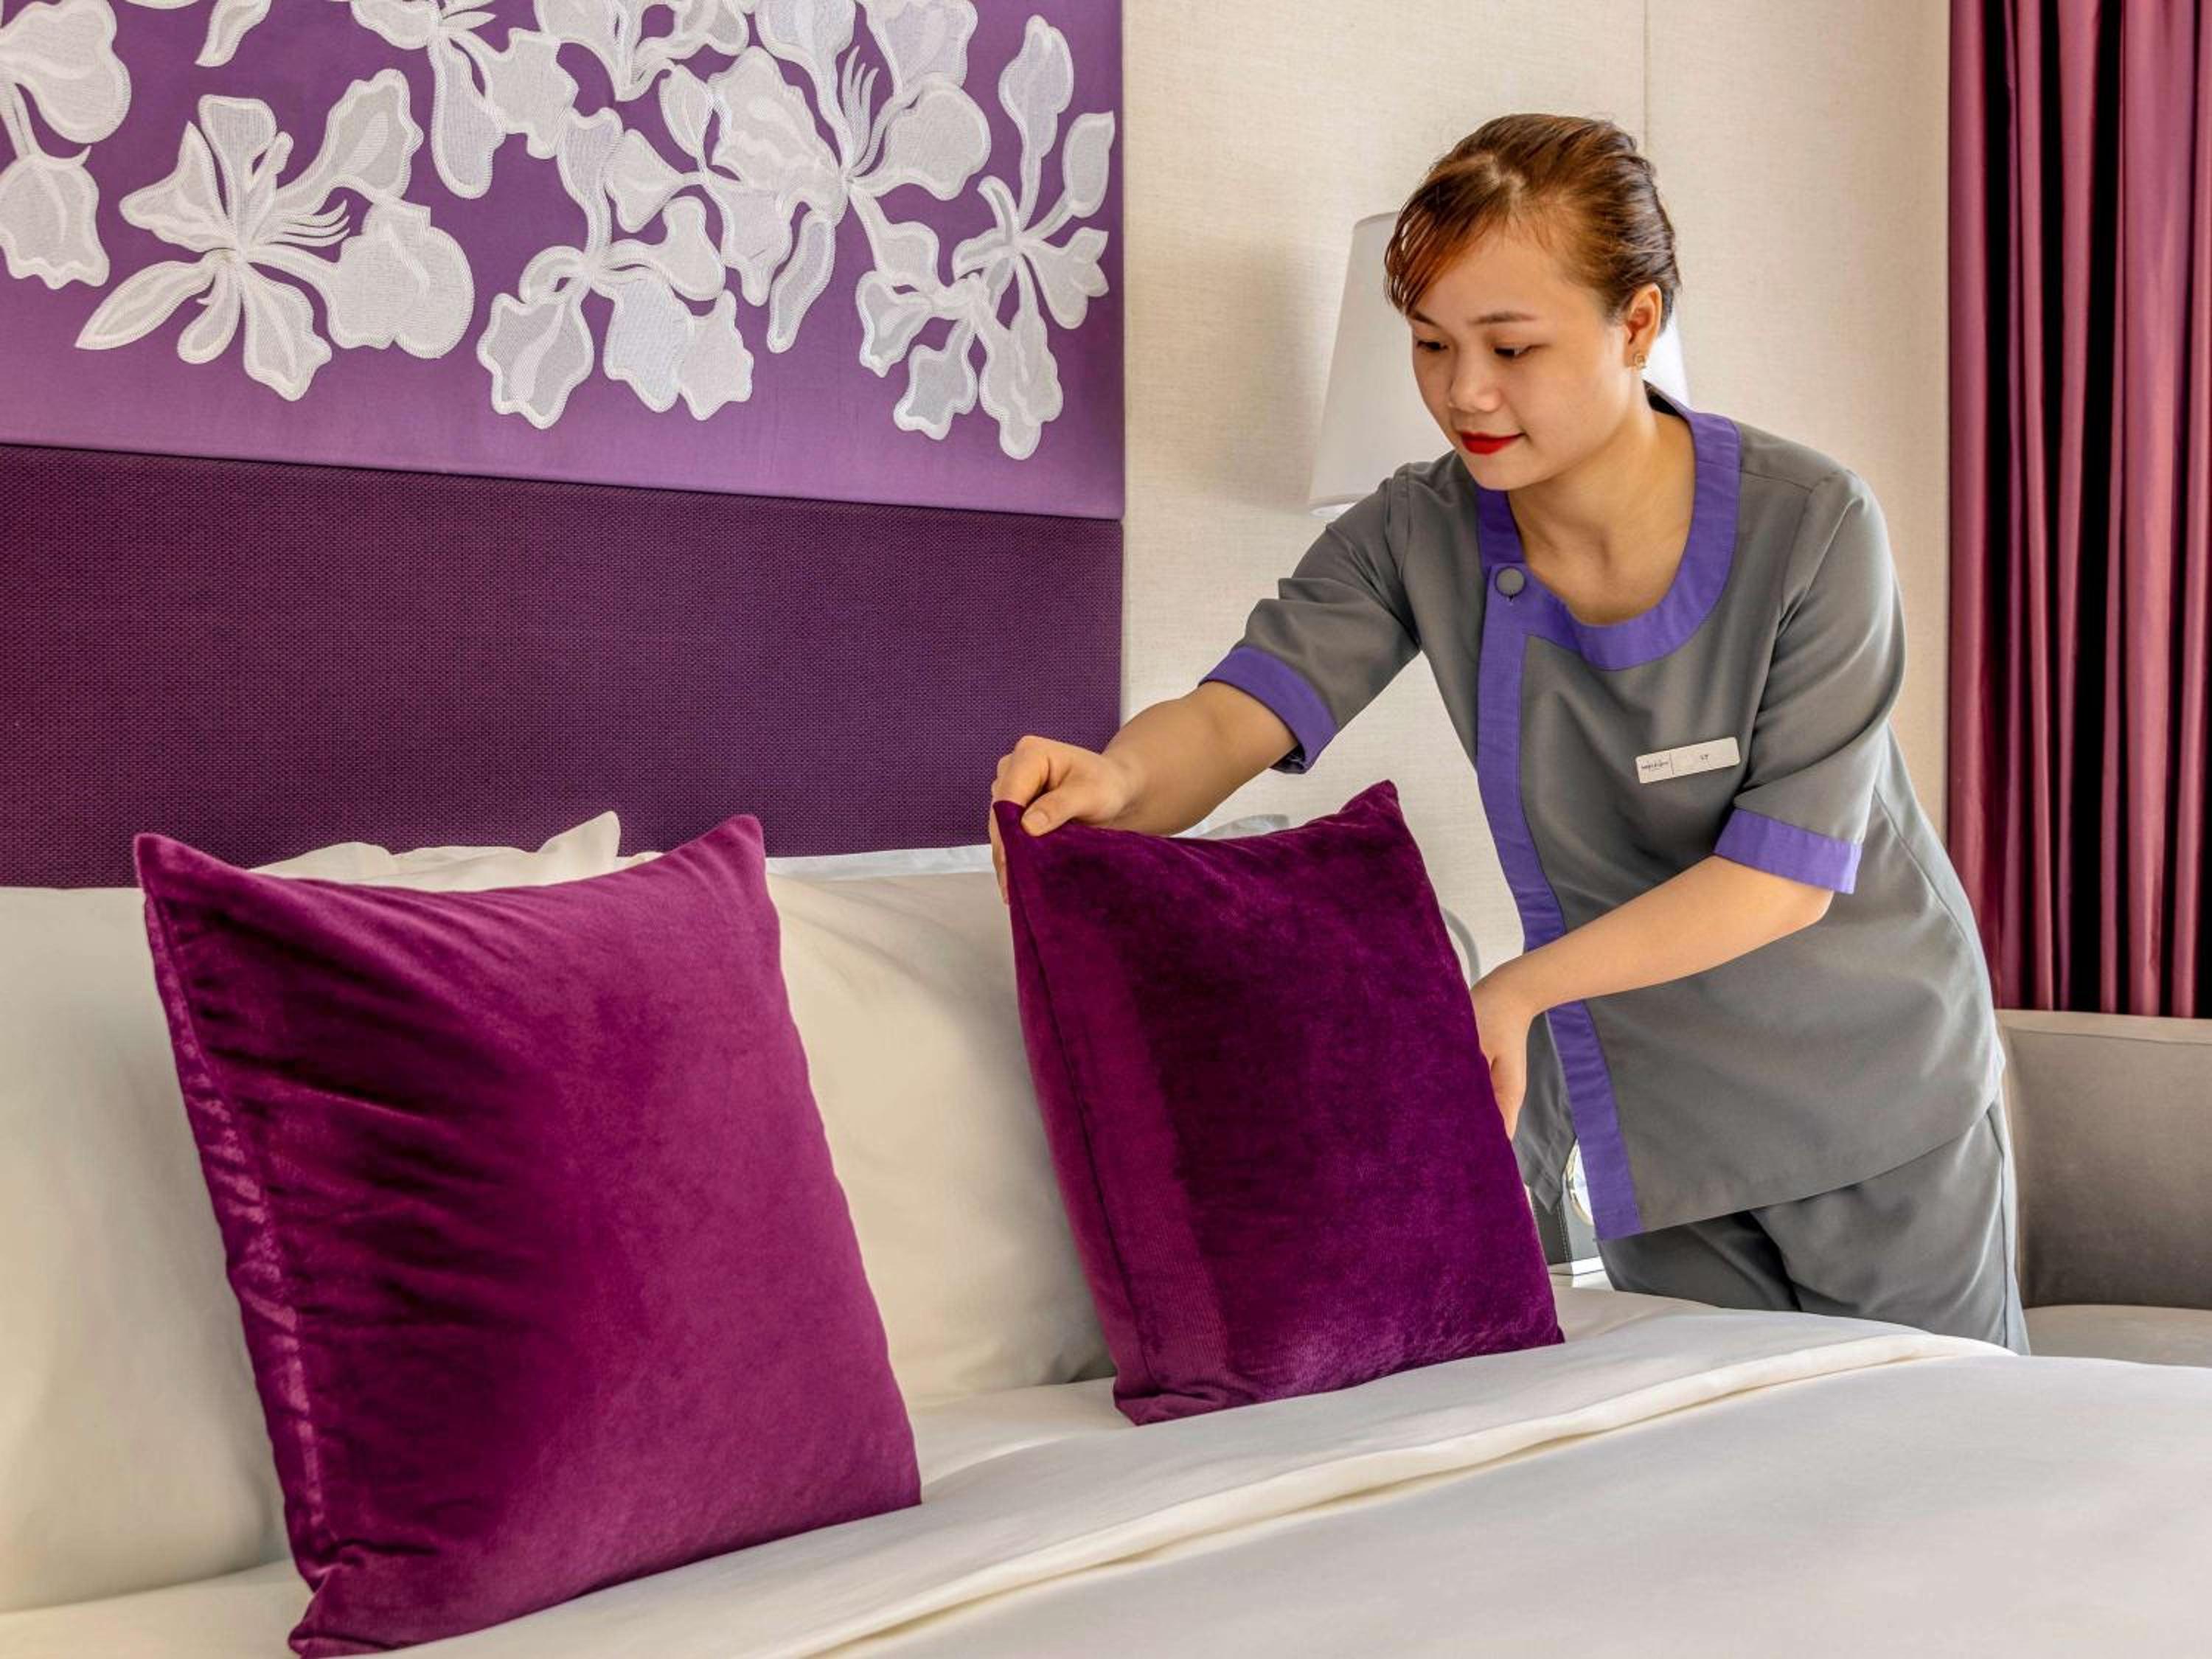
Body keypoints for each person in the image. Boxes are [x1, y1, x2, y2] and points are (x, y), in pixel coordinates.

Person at [987, 114, 2028, 1357]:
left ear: (1636, 323)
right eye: (1431, 344)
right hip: (1666, 1135)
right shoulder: (1415, 533)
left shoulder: (1812, 528)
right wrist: (1118, 778)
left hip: (1879, 1102)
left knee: (1948, 1457)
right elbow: (1230, 716)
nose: (1462, 392)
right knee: (1724, 1477)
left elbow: (1783, 876)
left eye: (1511, 346)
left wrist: (1518, 989)